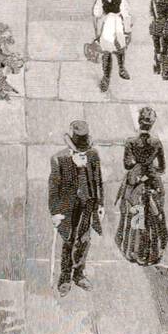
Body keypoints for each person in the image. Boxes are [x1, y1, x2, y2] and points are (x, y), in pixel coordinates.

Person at [49, 119, 104, 294]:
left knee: (85, 240)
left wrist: (100, 204)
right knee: (69, 240)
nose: (83, 154)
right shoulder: (59, 159)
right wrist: (55, 213)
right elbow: (53, 188)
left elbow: (98, 181)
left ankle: (78, 274)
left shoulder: (93, 155)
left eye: (84, 151)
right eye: (79, 151)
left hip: (88, 204)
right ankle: (65, 277)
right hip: (68, 207)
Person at [115, 107, 168, 266]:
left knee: (133, 214)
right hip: (152, 180)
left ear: (139, 122)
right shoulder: (157, 143)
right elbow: (162, 168)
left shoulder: (131, 142)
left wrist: (138, 169)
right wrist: (150, 170)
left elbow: (127, 164)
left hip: (135, 180)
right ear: (152, 124)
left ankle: (131, 249)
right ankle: (151, 251)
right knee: (152, 215)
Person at [93, 0, 132, 87]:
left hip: (118, 26)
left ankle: (121, 68)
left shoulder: (121, 0)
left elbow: (126, 16)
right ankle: (106, 77)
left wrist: (128, 31)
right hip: (107, 28)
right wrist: (97, 34)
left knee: (120, 50)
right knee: (107, 52)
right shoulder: (100, 0)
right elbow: (97, 14)